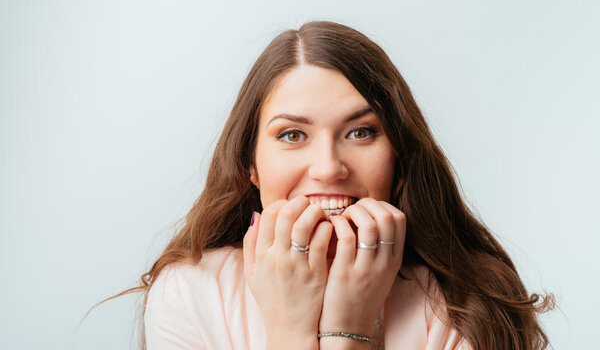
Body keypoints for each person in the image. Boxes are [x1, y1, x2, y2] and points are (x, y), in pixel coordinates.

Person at [138, 21, 553, 349]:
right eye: (292, 135)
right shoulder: (188, 294)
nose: (329, 168)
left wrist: (346, 333)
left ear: (399, 154)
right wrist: (290, 333)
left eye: (360, 132)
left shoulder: (467, 304)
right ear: (251, 164)